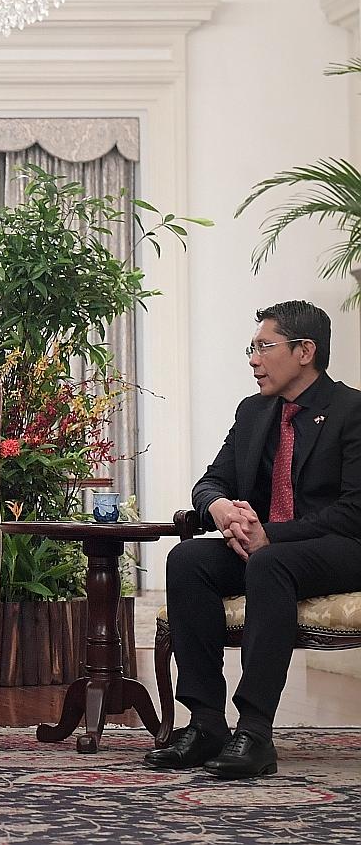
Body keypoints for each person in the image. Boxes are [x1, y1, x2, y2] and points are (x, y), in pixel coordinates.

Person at [147, 301, 361, 780]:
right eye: (253, 347)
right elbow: (210, 481)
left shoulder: (351, 409)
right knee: (187, 559)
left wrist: (272, 535)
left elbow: (354, 511)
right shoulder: (254, 412)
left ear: (305, 351)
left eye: (265, 347)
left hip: (340, 547)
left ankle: (256, 731)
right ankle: (205, 724)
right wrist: (219, 508)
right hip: (269, 548)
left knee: (270, 564)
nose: (253, 359)